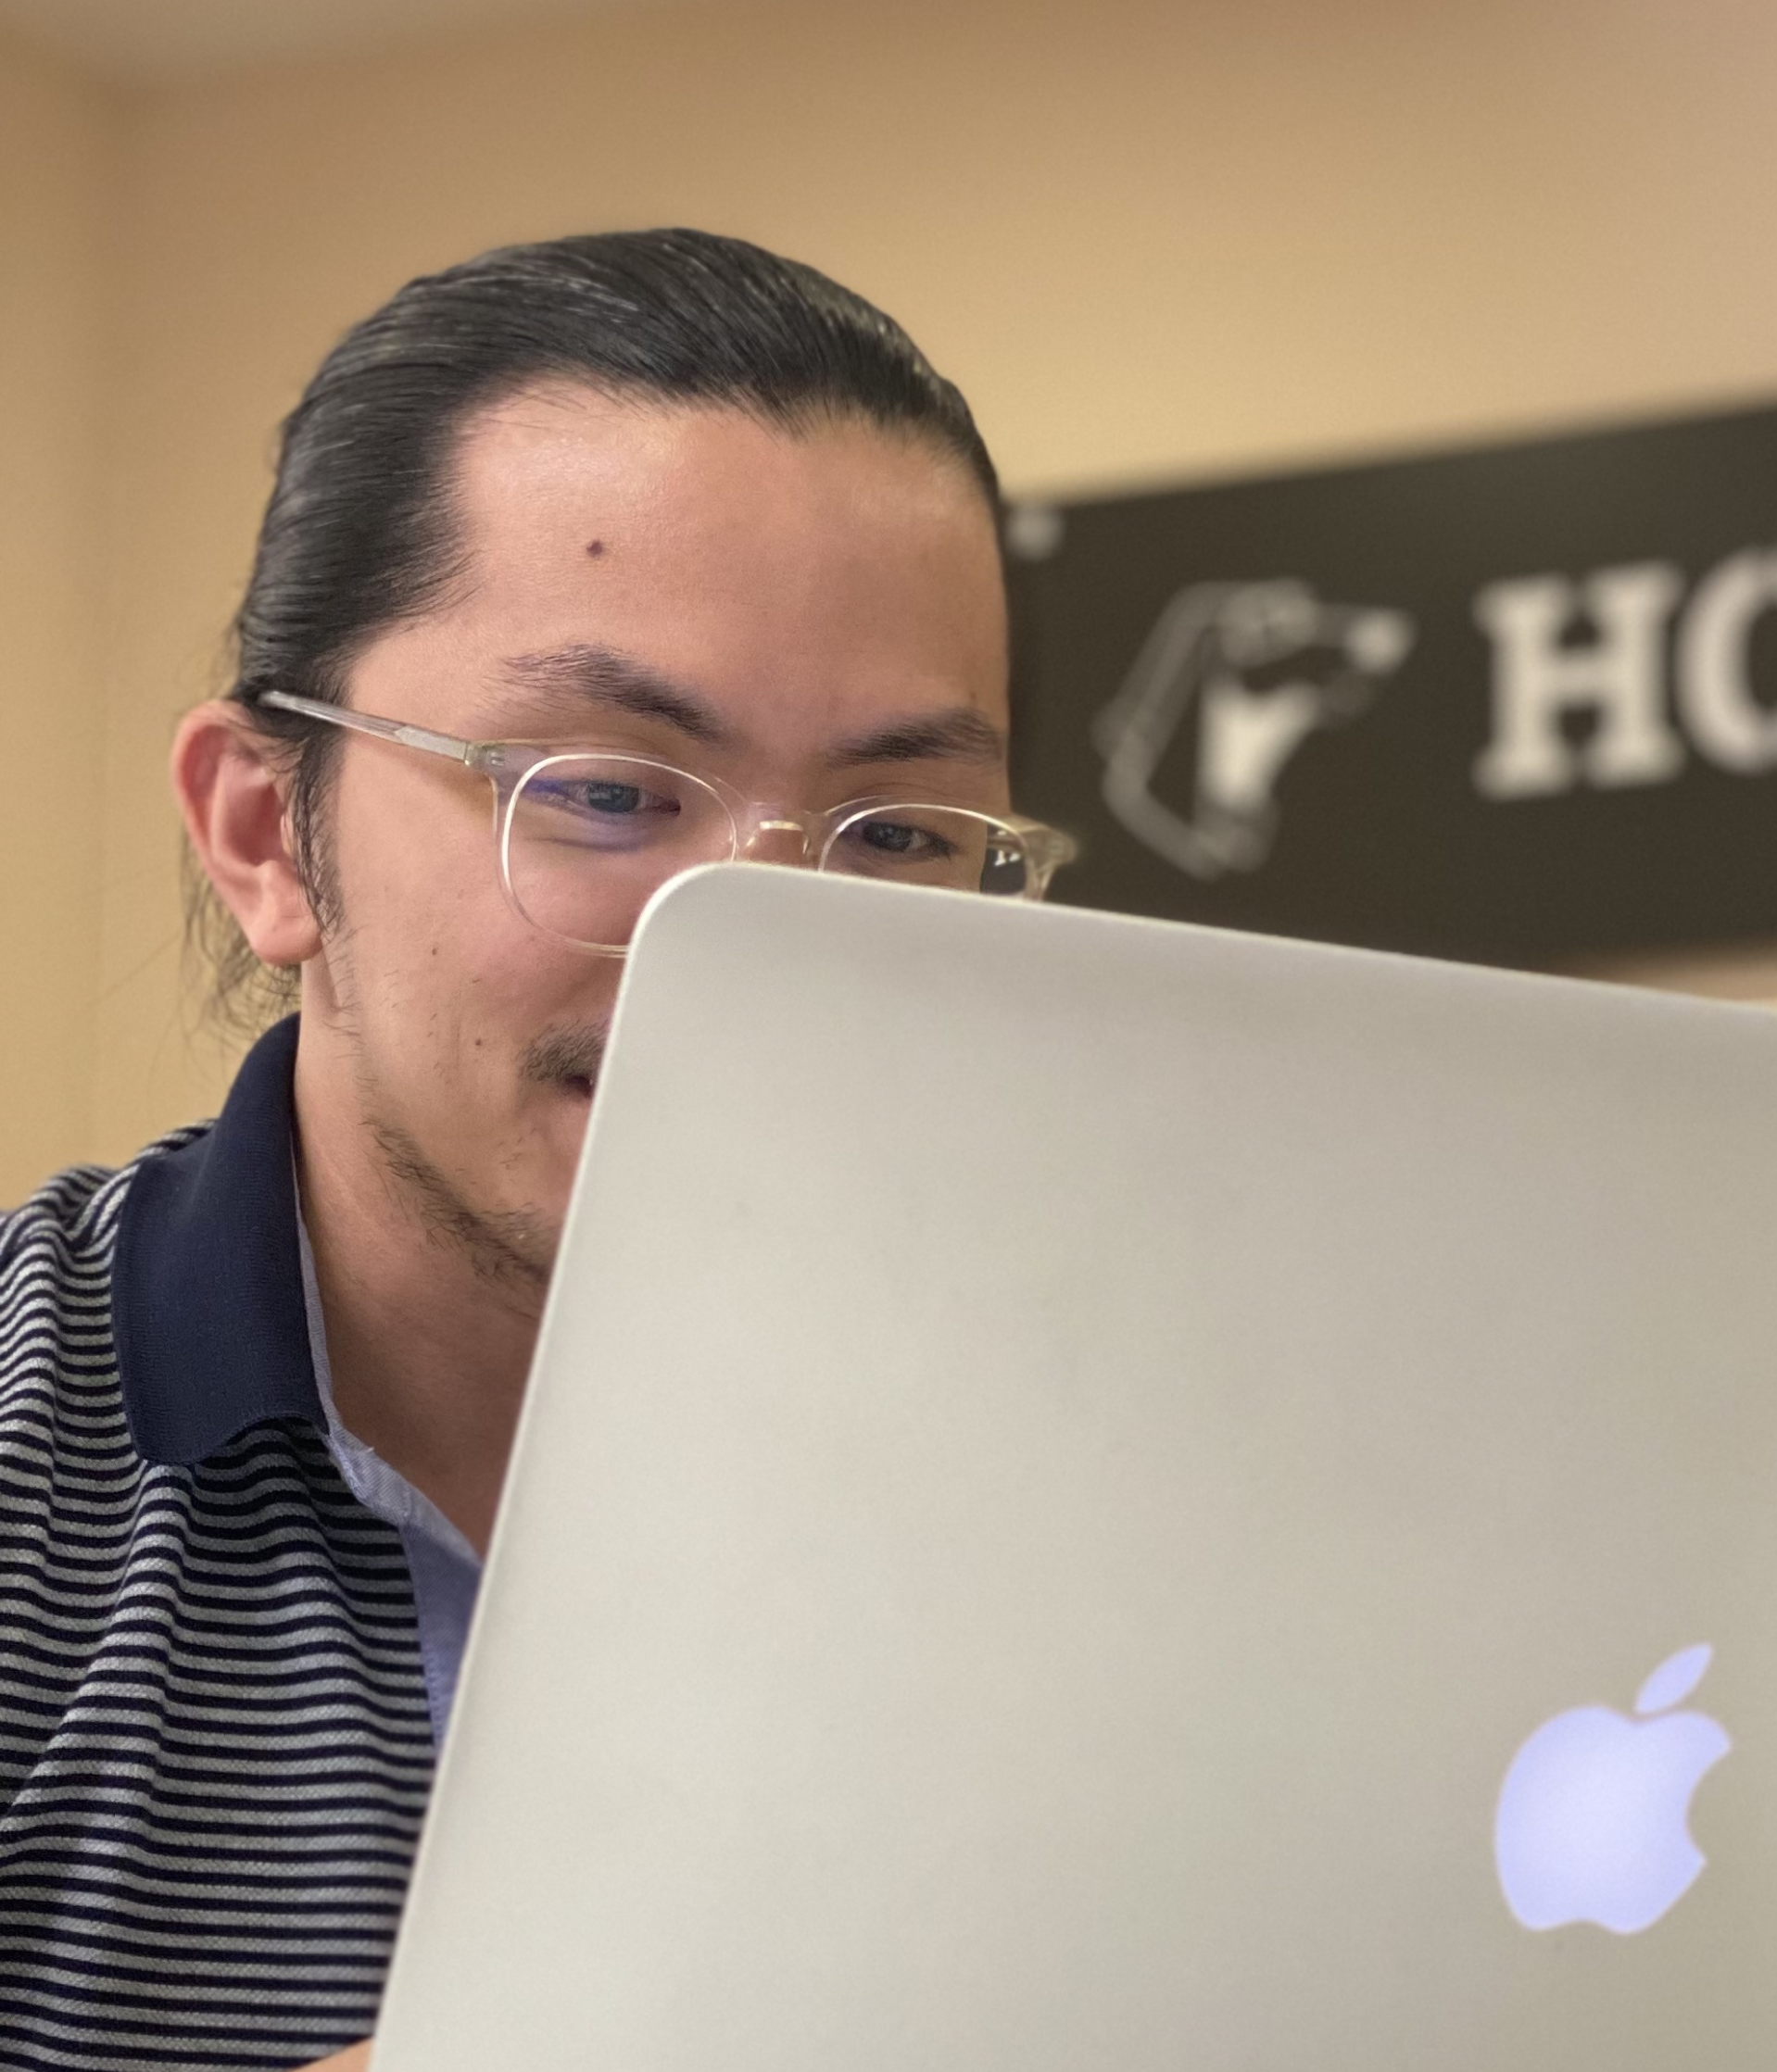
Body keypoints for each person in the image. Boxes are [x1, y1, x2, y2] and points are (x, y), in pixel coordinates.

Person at [0, 229, 1067, 2072]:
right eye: (599, 790)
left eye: (898, 834)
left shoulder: (1110, 1479)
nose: (765, 944)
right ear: (265, 830)